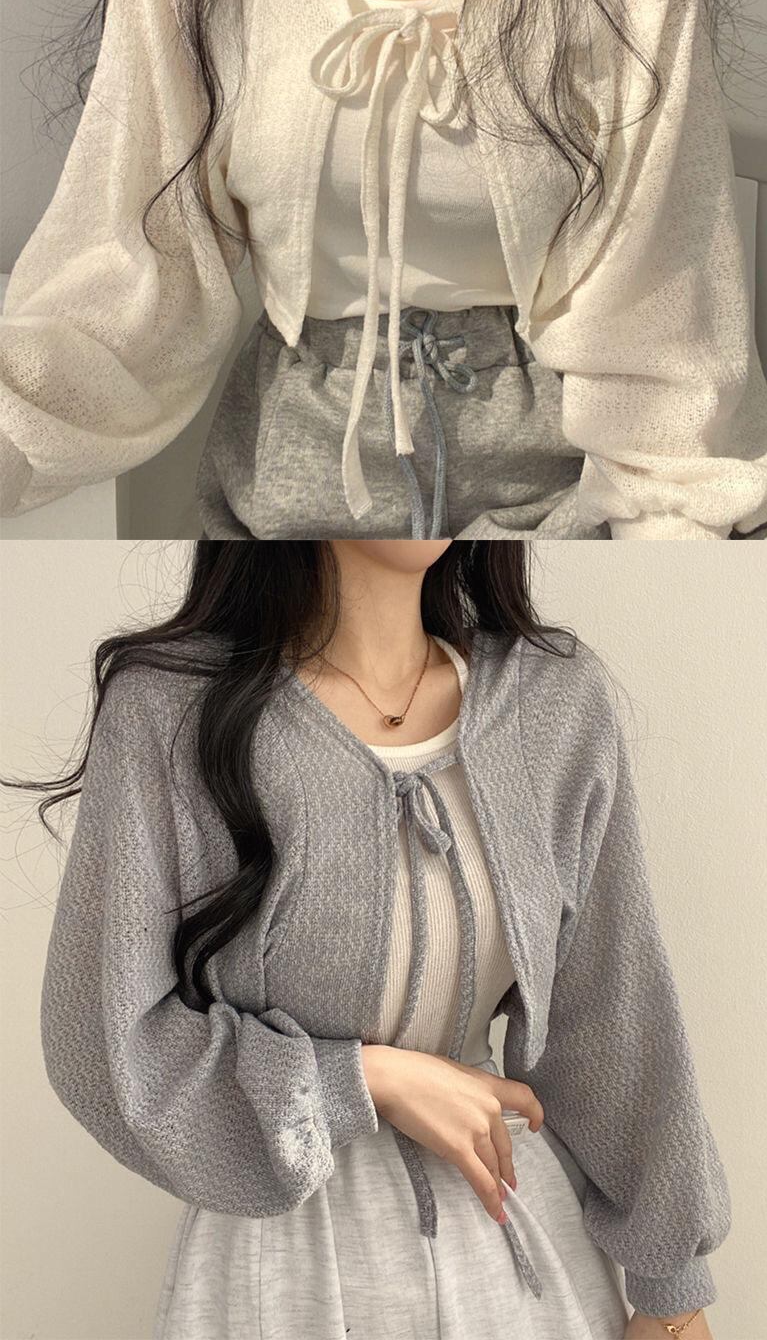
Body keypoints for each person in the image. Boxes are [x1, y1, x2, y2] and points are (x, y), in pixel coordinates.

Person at [1, 0, 767, 540]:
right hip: (291, 488)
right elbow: (128, 272)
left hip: (560, 489)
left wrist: (670, 547)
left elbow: (662, 298)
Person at [8, 536, 728, 1339]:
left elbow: (615, 1017)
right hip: (281, 1275)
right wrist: (361, 1079)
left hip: (519, 1259)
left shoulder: (553, 700)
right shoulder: (172, 709)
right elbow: (104, 1044)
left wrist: (672, 1293)